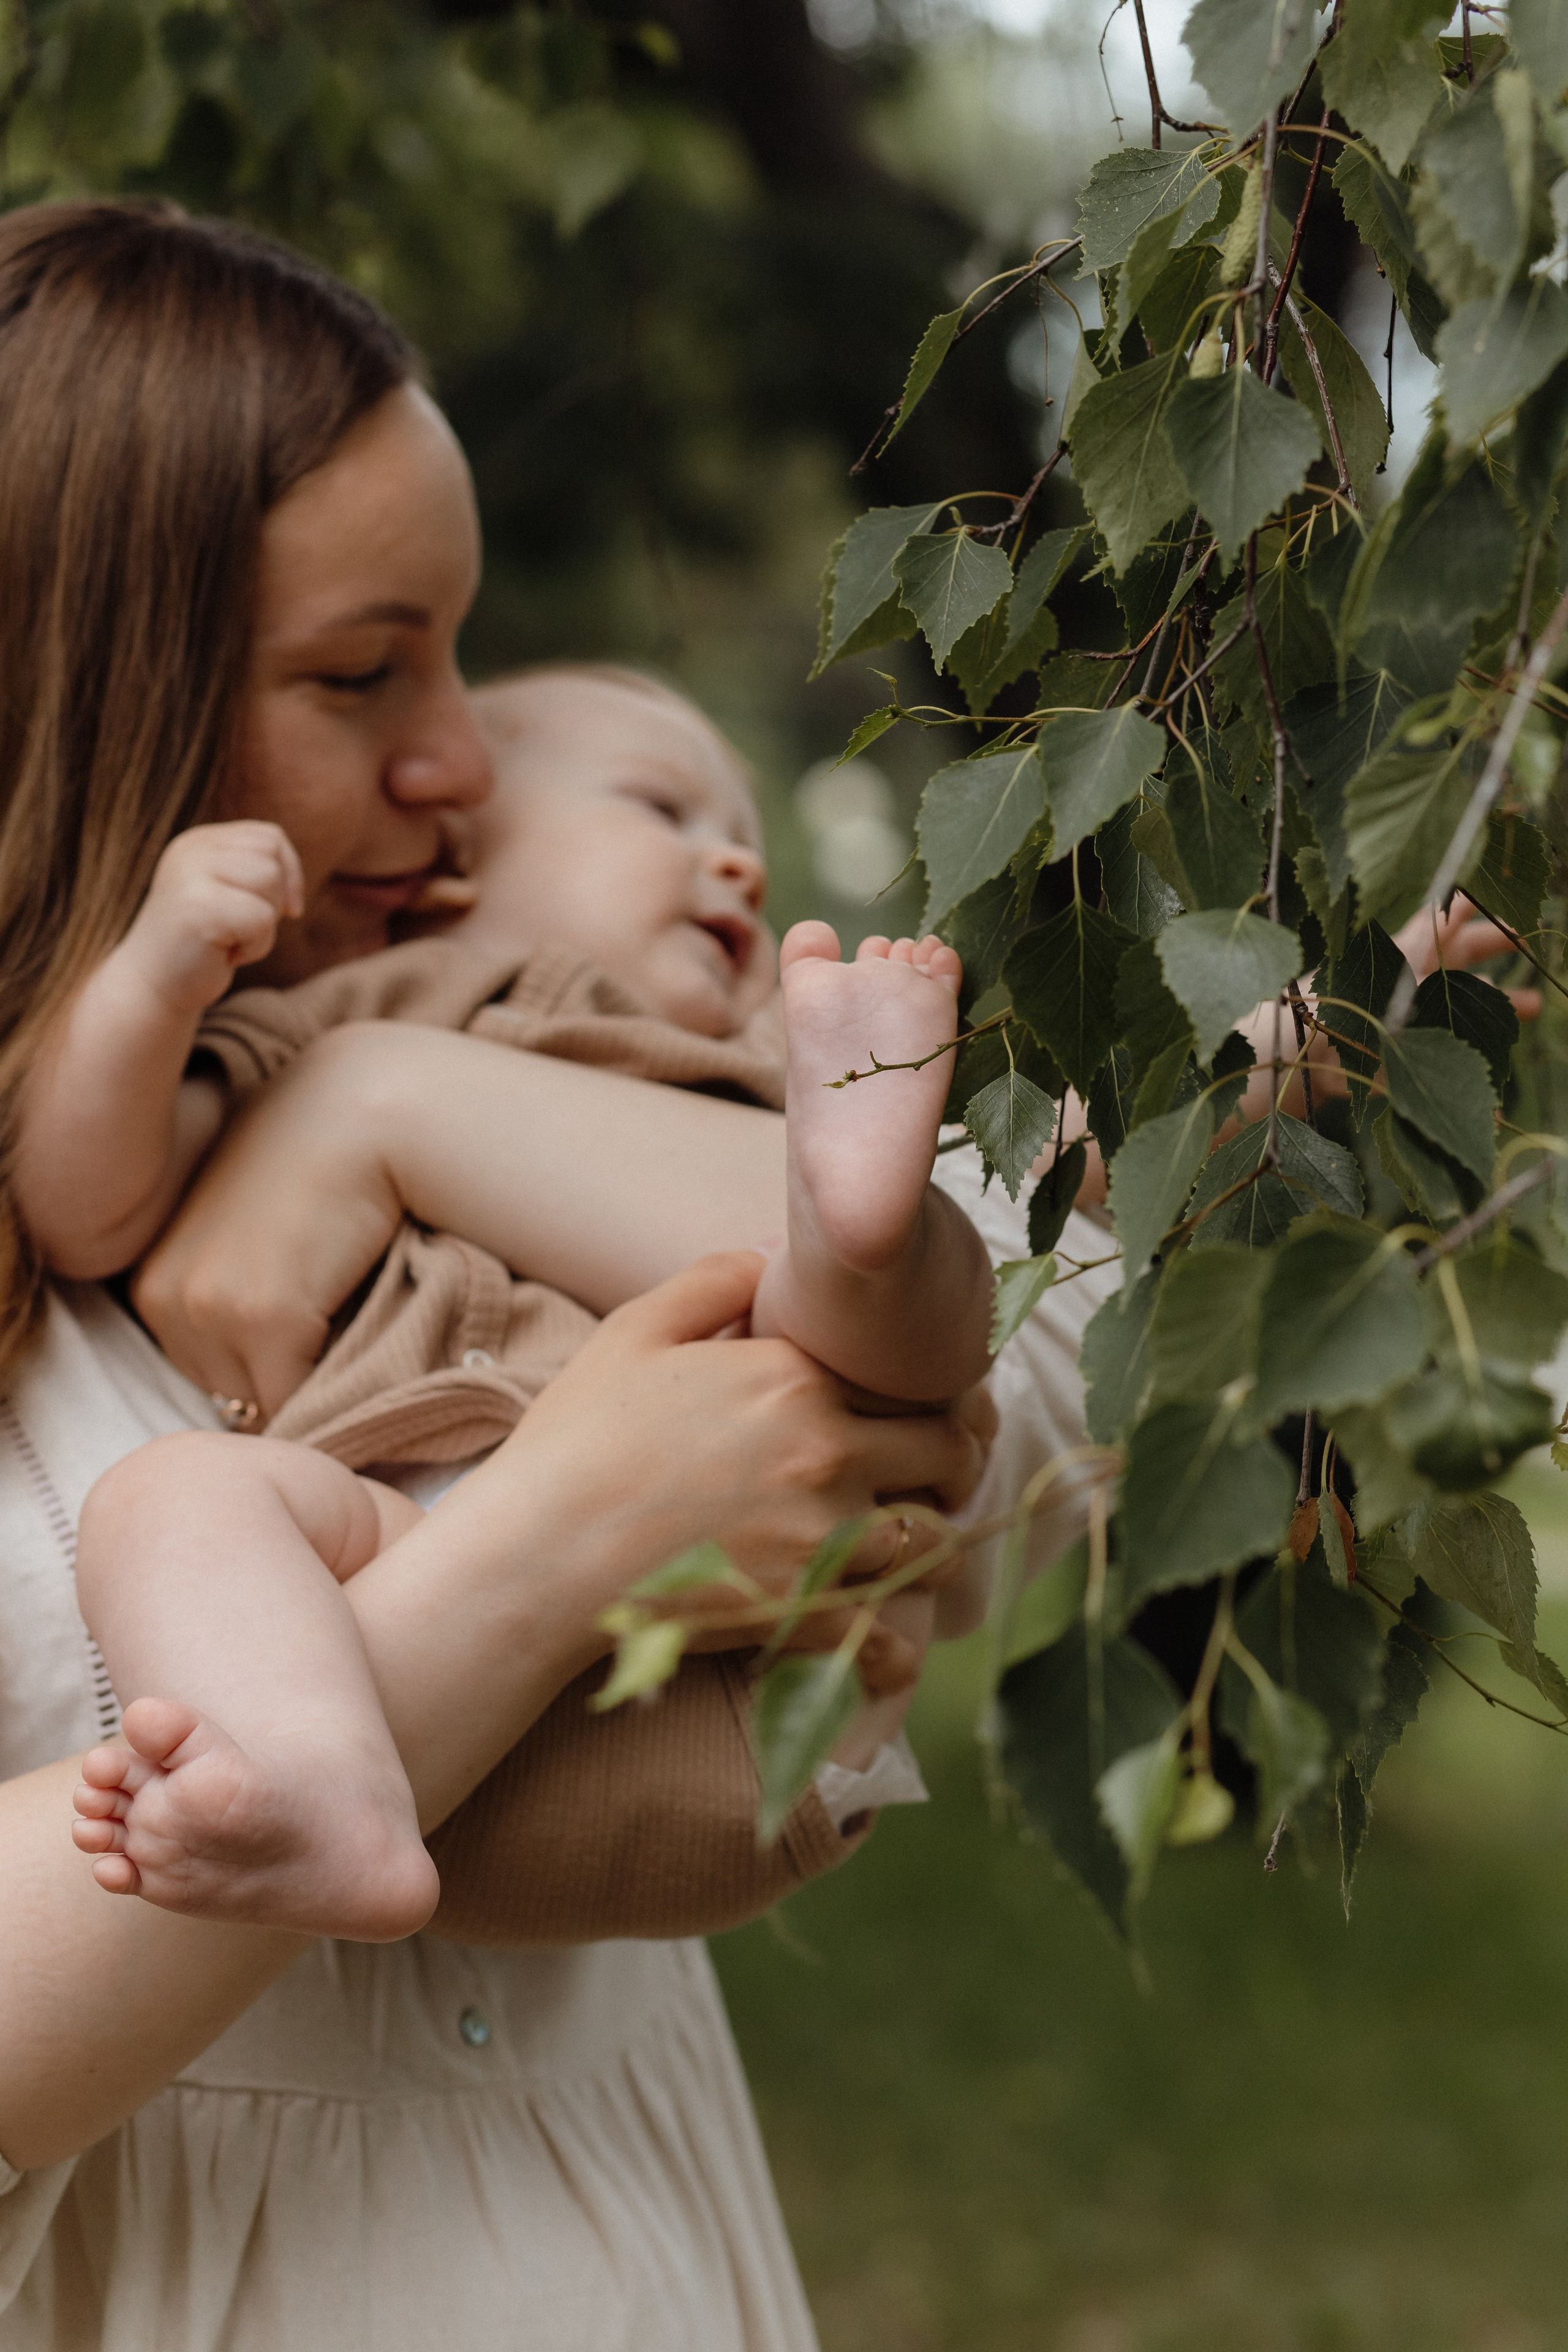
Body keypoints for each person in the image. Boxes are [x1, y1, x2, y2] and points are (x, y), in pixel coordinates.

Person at [0, 197, 997, 2351]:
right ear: (81, 696)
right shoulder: (132, 1150)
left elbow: (1010, 1371)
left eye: (455, 653)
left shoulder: (419, 1055)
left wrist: (383, 1109)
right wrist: (559, 1544)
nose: (463, 758)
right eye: (361, 673)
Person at [33, 655, 995, 1939]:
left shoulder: (771, 1057)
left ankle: (857, 1236)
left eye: (747, 847)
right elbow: (86, 1201)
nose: (736, 864)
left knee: (895, 1284)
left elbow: (1053, 1173)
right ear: (448, 870)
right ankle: (306, 1779)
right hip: (425, 1625)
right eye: (662, 809)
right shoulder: (360, 1008)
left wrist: (1244, 1059)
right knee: (165, 1499)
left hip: (772, 1632)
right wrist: (157, 977)